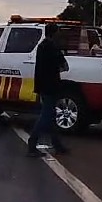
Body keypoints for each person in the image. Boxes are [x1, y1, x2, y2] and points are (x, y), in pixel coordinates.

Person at [28, 23, 70, 157]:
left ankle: (57, 145)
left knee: (50, 116)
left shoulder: (42, 46)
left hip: (42, 85)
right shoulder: (53, 47)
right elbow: (64, 66)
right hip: (50, 85)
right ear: (54, 33)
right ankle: (32, 144)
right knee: (46, 116)